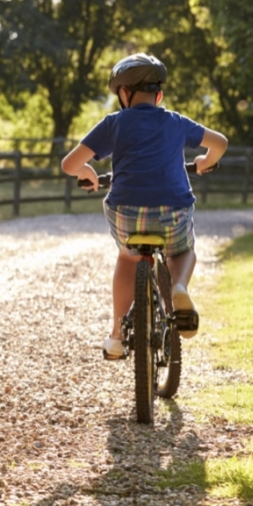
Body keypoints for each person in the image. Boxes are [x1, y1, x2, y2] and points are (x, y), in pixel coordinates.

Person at [61, 53, 228, 359]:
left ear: (124, 94)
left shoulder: (114, 123)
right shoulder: (175, 121)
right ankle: (179, 287)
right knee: (182, 250)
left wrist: (87, 172)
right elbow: (220, 143)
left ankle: (115, 337)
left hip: (127, 213)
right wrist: (205, 161)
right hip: (173, 211)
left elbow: (69, 163)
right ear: (159, 95)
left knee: (127, 257)